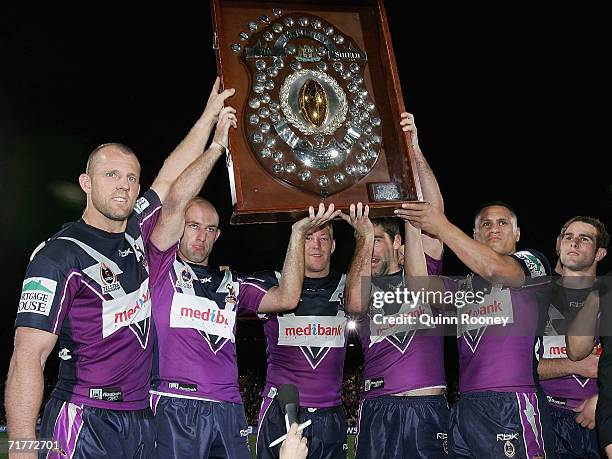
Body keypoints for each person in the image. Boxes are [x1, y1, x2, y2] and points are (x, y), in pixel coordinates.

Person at [5, 77, 234, 458]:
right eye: (111, 175)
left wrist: (210, 118)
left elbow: (170, 176)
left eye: (131, 178)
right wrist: (22, 446)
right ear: (86, 183)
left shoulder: (136, 231)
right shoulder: (59, 256)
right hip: (84, 417)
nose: (124, 186)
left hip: (140, 418)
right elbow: (27, 357)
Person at [148, 169, 339, 459]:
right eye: (193, 226)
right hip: (176, 401)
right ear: (178, 227)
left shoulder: (232, 284)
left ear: (218, 235)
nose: (202, 236)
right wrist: (215, 146)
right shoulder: (160, 268)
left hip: (229, 407)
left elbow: (287, 298)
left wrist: (298, 234)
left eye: (210, 229)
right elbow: (173, 200)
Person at [397, 200, 556, 458]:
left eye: (503, 222)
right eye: (486, 223)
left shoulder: (532, 263)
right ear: (475, 234)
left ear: (517, 233)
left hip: (513, 401)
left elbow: (496, 269)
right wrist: (412, 224)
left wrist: (441, 225)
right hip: (466, 405)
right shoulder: (461, 288)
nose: (494, 228)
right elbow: (419, 288)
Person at [342, 112, 449, 458]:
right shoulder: (365, 286)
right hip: (377, 409)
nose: (372, 250)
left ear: (400, 246)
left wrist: (414, 150)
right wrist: (364, 236)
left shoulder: (423, 271)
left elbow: (435, 214)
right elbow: (354, 307)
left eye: (379, 241)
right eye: (368, 242)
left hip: (425, 408)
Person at [254, 217, 350, 459]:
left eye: (323, 238)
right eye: (308, 238)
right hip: (282, 411)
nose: (316, 245)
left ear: (334, 245)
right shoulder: (272, 284)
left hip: (331, 413)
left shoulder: (349, 289)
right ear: (296, 241)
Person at [538, 217, 608, 458]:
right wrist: (575, 365)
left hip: (599, 422)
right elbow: (515, 367)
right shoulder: (533, 296)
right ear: (559, 245)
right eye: (568, 237)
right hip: (543, 416)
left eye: (584, 238)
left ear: (600, 253)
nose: (574, 243)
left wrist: (605, 400)